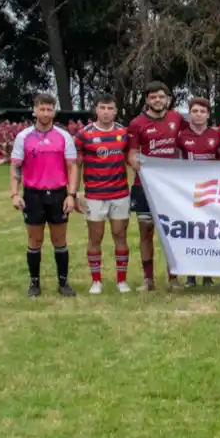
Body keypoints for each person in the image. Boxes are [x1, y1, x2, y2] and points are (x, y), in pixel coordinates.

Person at [10, 93, 79, 298]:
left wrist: (71, 195)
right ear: (35, 111)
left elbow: (72, 167)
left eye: (49, 109)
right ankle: (34, 283)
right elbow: (16, 166)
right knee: (34, 240)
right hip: (33, 195)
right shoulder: (23, 137)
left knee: (60, 239)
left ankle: (63, 283)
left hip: (58, 194)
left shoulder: (64, 136)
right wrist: (14, 194)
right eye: (42, 109)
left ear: (54, 112)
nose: (46, 113)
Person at [127, 81, 186, 292]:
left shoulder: (177, 118)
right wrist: (145, 171)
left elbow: (190, 140)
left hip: (170, 188)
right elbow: (132, 155)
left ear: (168, 99)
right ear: (147, 100)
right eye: (153, 97)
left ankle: (173, 277)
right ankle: (148, 279)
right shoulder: (137, 123)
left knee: (172, 233)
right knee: (146, 232)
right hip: (145, 187)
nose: (157, 100)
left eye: (161, 96)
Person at [74, 94, 132, 294]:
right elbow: (76, 165)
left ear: (116, 111)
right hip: (94, 195)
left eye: (110, 108)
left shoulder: (124, 133)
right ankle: (96, 281)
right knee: (95, 237)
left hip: (120, 194)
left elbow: (131, 159)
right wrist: (75, 193)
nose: (106, 112)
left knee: (120, 235)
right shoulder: (84, 134)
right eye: (102, 108)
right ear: (96, 110)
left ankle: (121, 281)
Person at [178, 97, 220, 287]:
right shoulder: (181, 135)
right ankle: (190, 275)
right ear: (190, 114)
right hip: (188, 190)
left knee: (209, 231)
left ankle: (207, 275)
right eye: (195, 111)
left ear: (208, 114)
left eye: (202, 111)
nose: (198, 115)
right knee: (190, 232)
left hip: (210, 190)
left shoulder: (216, 134)